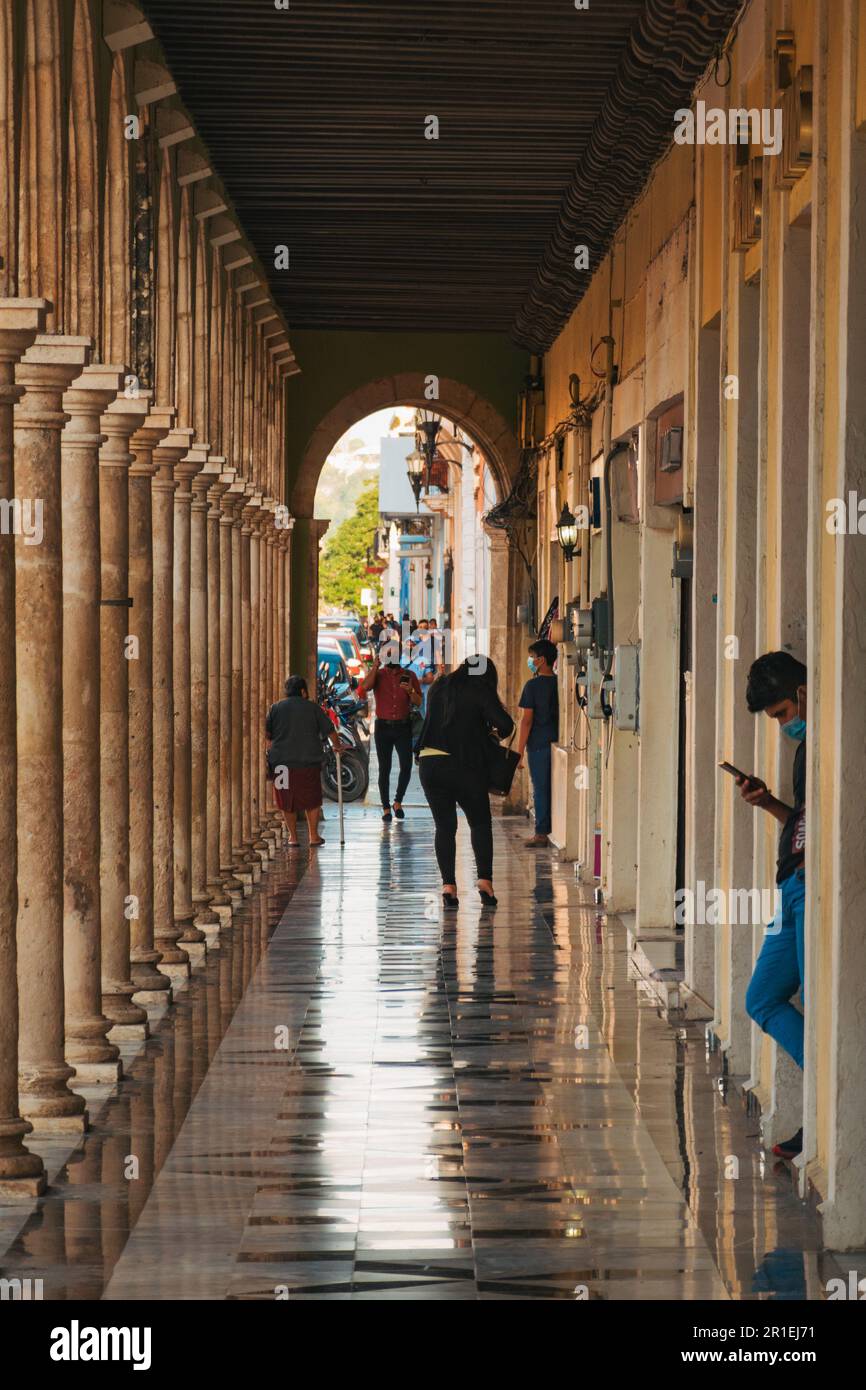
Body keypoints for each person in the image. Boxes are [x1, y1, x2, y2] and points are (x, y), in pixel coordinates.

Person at [739, 651, 807, 1161]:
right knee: (761, 998)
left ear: (801, 694)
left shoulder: (825, 744)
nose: (785, 725)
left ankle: (823, 1112)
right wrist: (768, 804)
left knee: (819, 1003)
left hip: (808, 886)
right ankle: (823, 1099)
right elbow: (803, 823)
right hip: (791, 885)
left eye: (783, 713)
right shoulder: (805, 750)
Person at [417, 655, 514, 908]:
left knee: (445, 826)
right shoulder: (479, 689)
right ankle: (485, 882)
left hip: (430, 762)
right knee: (480, 822)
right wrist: (490, 732)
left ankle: (448, 886)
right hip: (464, 766)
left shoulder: (439, 685)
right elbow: (506, 725)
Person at [266, 675, 341, 848]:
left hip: (281, 764)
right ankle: (313, 836)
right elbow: (330, 730)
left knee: (285, 800)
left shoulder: (275, 708)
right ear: (302, 691)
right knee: (312, 799)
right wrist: (337, 746)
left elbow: (267, 735)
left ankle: (293, 837)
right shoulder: (312, 708)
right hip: (307, 763)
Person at [359, 648, 422, 821]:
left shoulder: (409, 675)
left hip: (403, 727)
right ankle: (386, 807)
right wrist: (375, 666)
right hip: (383, 728)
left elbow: (419, 701)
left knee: (406, 766)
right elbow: (364, 687)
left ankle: (398, 802)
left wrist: (410, 690)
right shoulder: (378, 674)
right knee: (384, 769)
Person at [515, 638, 559, 846]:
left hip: (538, 744)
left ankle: (541, 832)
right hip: (556, 740)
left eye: (532, 657)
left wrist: (519, 751)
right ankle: (552, 828)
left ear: (541, 660)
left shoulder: (532, 686)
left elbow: (526, 721)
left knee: (540, 787)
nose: (530, 661)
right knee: (552, 787)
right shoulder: (559, 682)